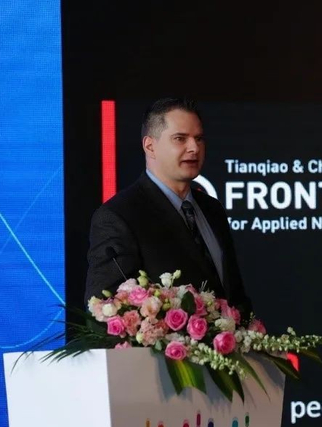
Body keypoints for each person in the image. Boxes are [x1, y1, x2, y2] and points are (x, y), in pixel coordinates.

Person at [84, 98, 252, 319]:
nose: (194, 148)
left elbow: (234, 296)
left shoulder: (213, 210)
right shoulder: (119, 216)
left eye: (199, 138)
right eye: (180, 139)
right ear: (150, 146)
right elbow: (104, 311)